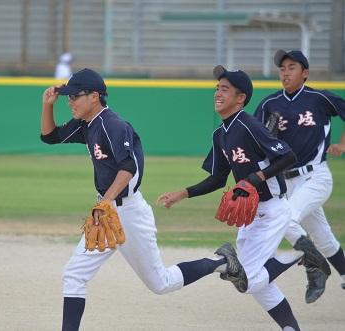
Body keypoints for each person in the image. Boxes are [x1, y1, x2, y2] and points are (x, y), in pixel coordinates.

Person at [41, 68, 251, 331]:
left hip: (128, 213)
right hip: (106, 210)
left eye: (74, 96)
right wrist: (47, 105)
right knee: (74, 274)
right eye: (67, 97)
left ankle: (221, 262)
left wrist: (104, 202)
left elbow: (128, 168)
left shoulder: (113, 125)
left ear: (94, 96)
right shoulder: (88, 125)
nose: (69, 101)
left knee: (160, 283)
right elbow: (50, 137)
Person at [157, 65, 330, 330]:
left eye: (225, 89)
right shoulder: (220, 134)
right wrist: (183, 193)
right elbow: (217, 179)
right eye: (217, 88)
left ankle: (301, 255)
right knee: (257, 284)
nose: (218, 93)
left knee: (245, 278)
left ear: (240, 98)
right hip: (249, 214)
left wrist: (256, 178)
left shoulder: (249, 125)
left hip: (272, 210)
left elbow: (288, 156)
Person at [254, 49, 345, 301]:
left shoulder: (319, 99)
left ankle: (316, 268)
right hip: (286, 183)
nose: (285, 72)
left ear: (305, 73)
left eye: (291, 67)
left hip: (315, 177)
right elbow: (256, 141)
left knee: (285, 220)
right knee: (323, 238)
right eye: (282, 68)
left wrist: (343, 144)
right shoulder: (269, 104)